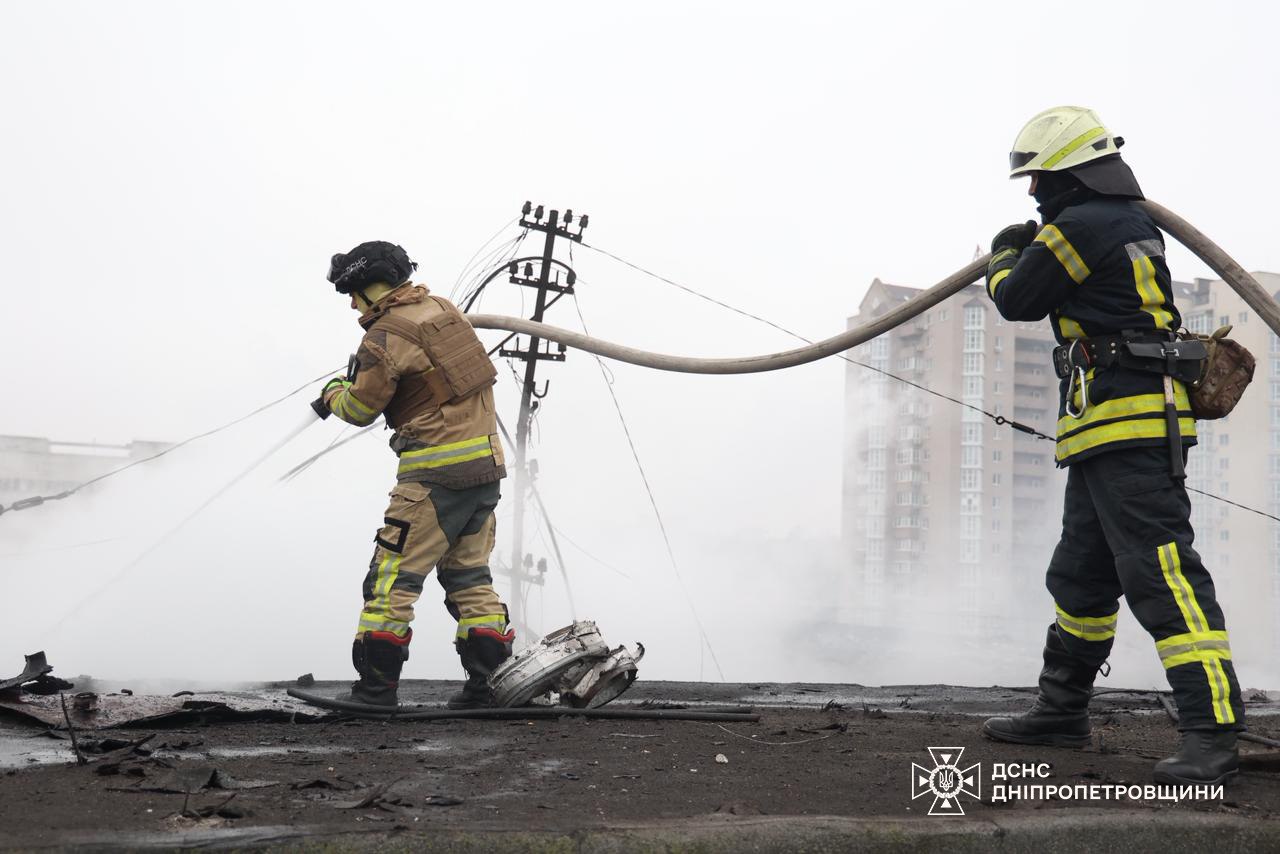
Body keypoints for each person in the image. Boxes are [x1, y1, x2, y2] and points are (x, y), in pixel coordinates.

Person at [980, 107, 1244, 785]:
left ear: (1070, 173)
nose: (1034, 194)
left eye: (1040, 180)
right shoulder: (1121, 222)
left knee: (1162, 575)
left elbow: (1016, 297)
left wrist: (1006, 250)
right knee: (1081, 576)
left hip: (1129, 426)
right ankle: (1061, 710)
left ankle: (1212, 732)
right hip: (1106, 430)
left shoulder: (1085, 225)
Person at [318, 240, 514, 709]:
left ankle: (375, 691)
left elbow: (361, 408)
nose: (350, 304)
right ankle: (489, 688)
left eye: (352, 292)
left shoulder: (384, 336)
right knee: (470, 578)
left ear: (373, 288)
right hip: (485, 472)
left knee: (391, 579)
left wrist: (332, 393)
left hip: (433, 478)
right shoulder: (443, 310)